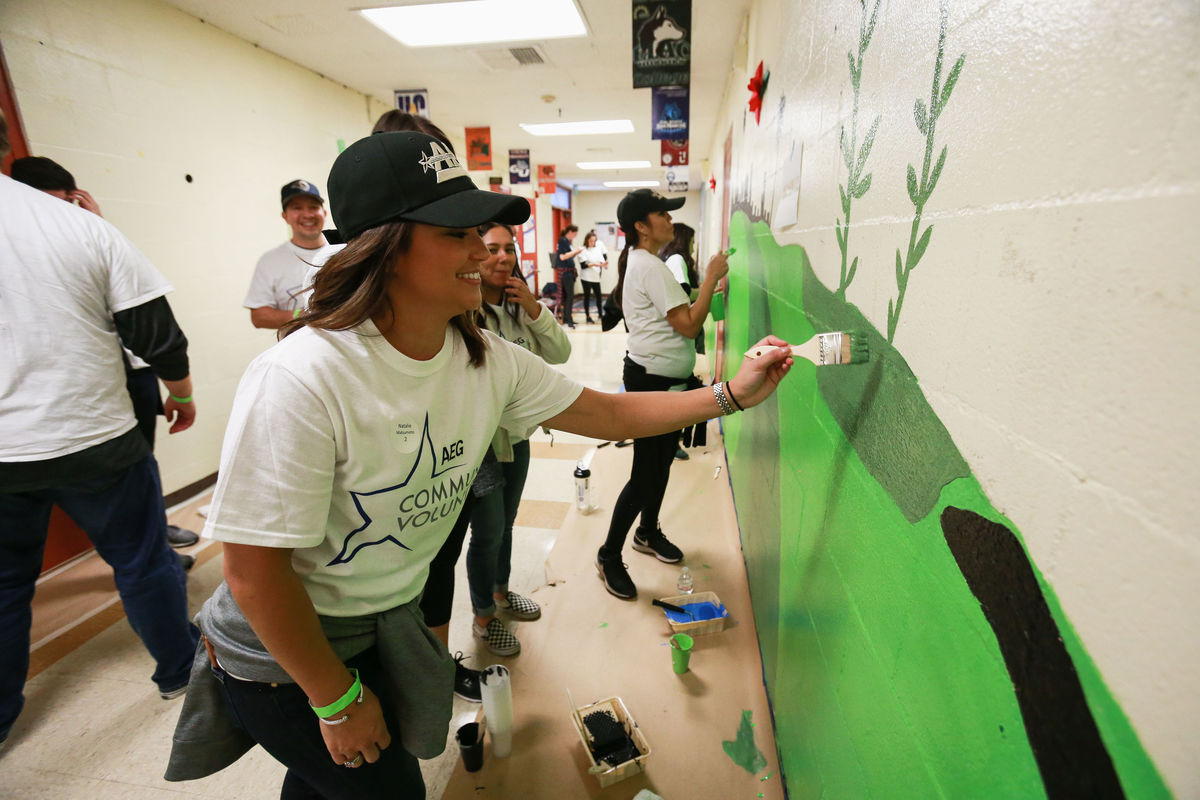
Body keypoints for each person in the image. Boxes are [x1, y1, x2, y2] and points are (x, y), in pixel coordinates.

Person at [164, 131, 792, 798]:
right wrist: (336, 701)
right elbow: (254, 574)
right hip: (284, 652)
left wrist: (731, 395)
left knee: (329, 781)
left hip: (383, 623)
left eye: (484, 231)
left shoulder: (483, 357)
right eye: (456, 232)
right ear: (385, 246)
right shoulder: (304, 376)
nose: (483, 251)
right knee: (386, 787)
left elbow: (608, 413)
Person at [0, 110, 201, 752]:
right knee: (141, 561)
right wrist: (182, 393)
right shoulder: (79, 227)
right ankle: (180, 670)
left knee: (4, 586)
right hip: (96, 437)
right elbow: (156, 335)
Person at [10, 155, 200, 552]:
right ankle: (142, 548)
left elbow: (144, 322)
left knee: (140, 466)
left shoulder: (87, 233)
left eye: (67, 203)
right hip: (43, 414)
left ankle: (153, 535)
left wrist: (98, 223)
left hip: (128, 374)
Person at [420, 222, 571, 663]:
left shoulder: (518, 307)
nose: (502, 257)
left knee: (507, 523)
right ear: (474, 255)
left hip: (516, 439)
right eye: (491, 249)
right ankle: (483, 617)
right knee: (486, 532)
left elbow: (560, 354)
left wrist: (536, 309)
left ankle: (502, 593)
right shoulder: (460, 312)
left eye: (509, 249)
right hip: (478, 446)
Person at [596, 190, 731, 600]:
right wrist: (710, 278)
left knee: (659, 467)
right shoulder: (650, 266)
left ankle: (648, 532)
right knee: (644, 475)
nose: (670, 219)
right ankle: (608, 554)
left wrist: (703, 294)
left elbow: (677, 317)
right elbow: (689, 326)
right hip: (652, 387)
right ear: (641, 225)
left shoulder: (646, 264)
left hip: (664, 384)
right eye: (662, 213)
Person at [245, 179, 341, 329]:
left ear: (324, 212)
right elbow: (259, 317)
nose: (307, 215)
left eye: (313, 207)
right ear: (285, 216)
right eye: (297, 208)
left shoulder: (343, 250)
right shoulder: (270, 261)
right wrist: (303, 315)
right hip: (302, 350)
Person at [659, 221, 703, 462]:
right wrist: (708, 289)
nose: (695, 247)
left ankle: (670, 441)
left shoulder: (669, 259)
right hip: (673, 343)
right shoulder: (676, 259)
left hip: (673, 346)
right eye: (693, 241)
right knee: (674, 397)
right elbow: (683, 294)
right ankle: (670, 442)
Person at [554, 224, 583, 328]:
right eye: (575, 234)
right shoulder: (563, 241)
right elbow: (562, 257)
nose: (575, 236)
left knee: (568, 296)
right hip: (565, 273)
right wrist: (576, 251)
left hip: (569, 272)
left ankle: (568, 318)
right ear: (570, 232)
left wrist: (574, 253)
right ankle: (568, 319)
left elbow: (568, 255)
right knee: (569, 296)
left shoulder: (567, 242)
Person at [577, 229, 608, 324]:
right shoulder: (582, 250)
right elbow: (583, 265)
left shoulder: (598, 249)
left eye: (594, 241)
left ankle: (600, 314)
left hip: (595, 277)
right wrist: (594, 264)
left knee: (598, 296)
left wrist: (604, 264)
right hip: (586, 277)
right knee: (587, 296)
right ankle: (588, 316)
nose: (592, 243)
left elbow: (602, 261)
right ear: (586, 240)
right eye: (591, 241)